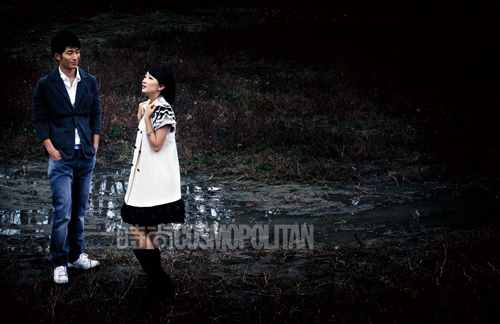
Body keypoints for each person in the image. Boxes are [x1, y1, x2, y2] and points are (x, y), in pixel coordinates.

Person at [32, 30, 102, 284]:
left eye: (78, 51)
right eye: (70, 52)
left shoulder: (89, 81)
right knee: (63, 211)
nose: (75, 57)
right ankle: (59, 262)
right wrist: (51, 149)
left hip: (85, 155)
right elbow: (39, 119)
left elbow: (96, 112)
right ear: (57, 56)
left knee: (80, 211)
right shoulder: (46, 84)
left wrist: (94, 144)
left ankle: (75, 255)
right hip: (61, 157)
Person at [121, 65, 185, 302]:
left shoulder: (163, 109)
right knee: (149, 230)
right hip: (145, 179)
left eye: (150, 78)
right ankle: (155, 282)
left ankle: (159, 279)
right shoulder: (148, 106)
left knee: (136, 229)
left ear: (162, 86)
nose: (144, 79)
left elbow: (157, 144)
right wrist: (143, 115)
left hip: (155, 182)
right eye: (145, 75)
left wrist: (147, 118)